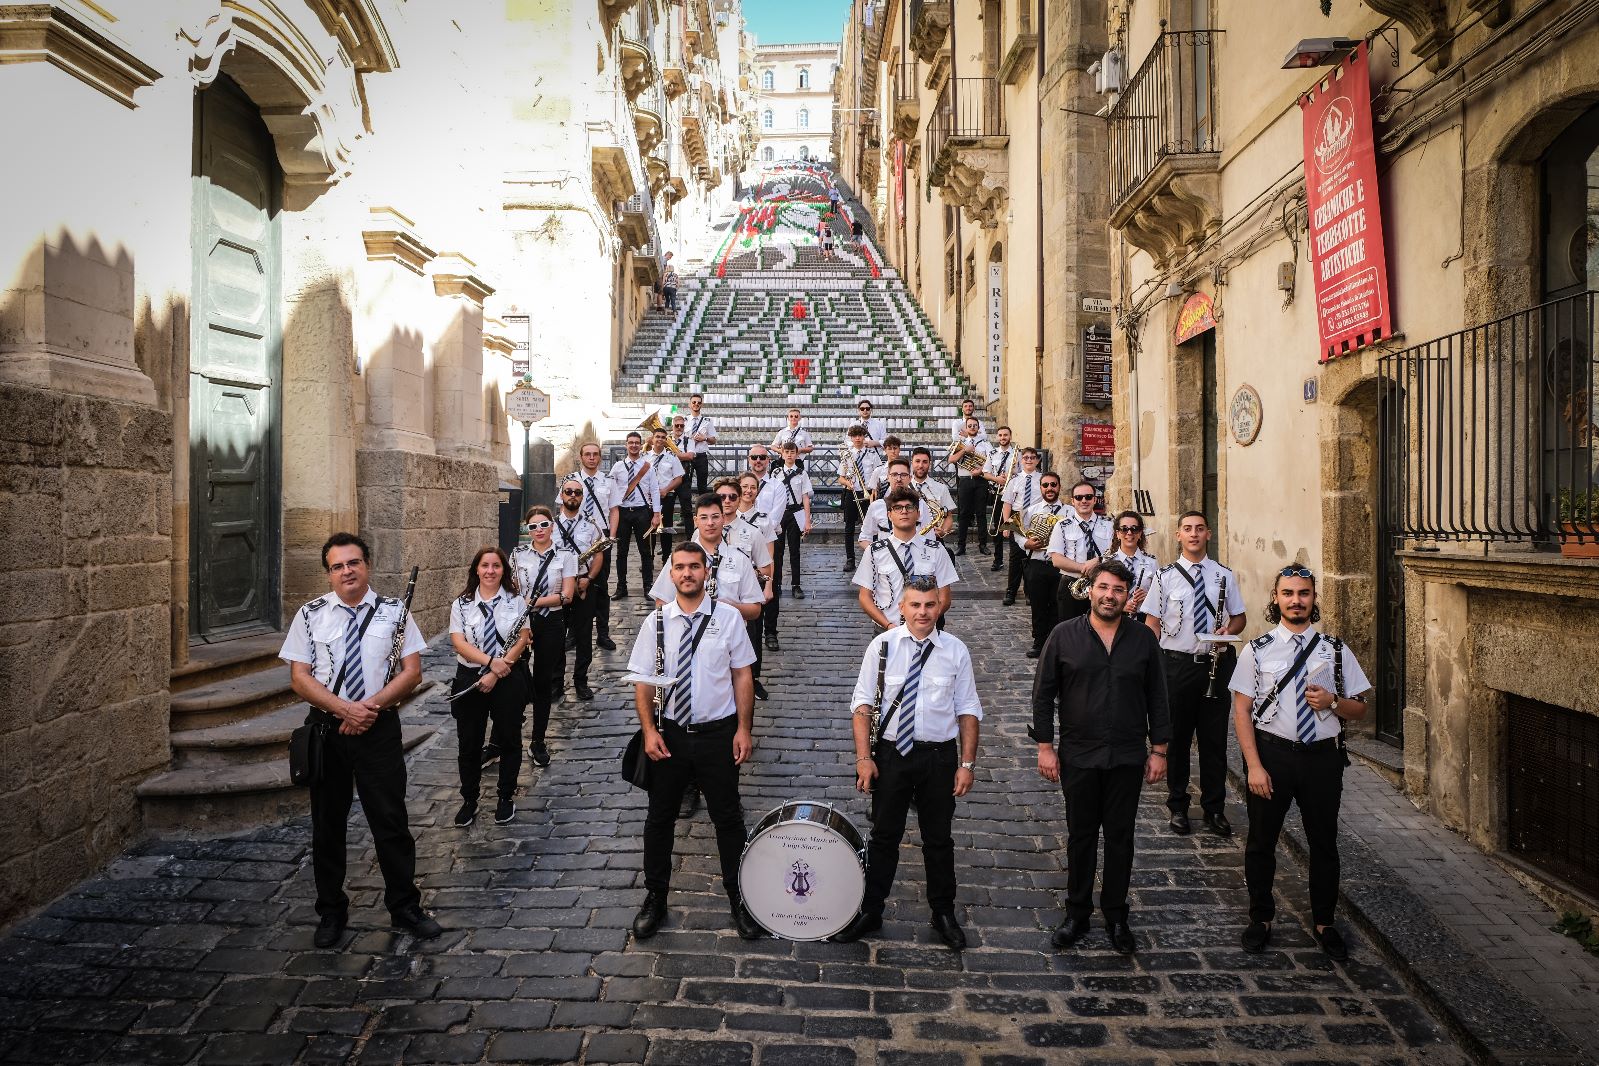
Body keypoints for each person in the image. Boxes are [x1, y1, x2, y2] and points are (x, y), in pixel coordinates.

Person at [281, 532, 440, 948]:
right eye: (337, 566)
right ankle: (331, 911)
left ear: (366, 565)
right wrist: (343, 709)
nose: (346, 571)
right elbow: (299, 678)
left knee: (390, 821)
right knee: (327, 826)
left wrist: (368, 708)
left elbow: (412, 671)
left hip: (379, 730)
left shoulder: (394, 611)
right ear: (329, 574)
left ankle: (405, 906)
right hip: (326, 731)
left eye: (353, 563)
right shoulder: (310, 614)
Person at [1231, 565, 1371, 962]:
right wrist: (1254, 766)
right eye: (1288, 593)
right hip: (1272, 756)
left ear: (1314, 598)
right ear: (1275, 598)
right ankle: (1261, 918)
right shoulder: (1256, 651)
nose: (1296, 600)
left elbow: (1360, 709)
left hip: (1323, 761)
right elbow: (1242, 712)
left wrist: (1333, 704)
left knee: (1324, 844)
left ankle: (1325, 922)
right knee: (1261, 842)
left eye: (1304, 593)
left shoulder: (1337, 650)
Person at [834, 580, 982, 951]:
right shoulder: (881, 647)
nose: (923, 612)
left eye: (930, 605)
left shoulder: (955, 651)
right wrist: (864, 759)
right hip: (891, 755)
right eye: (915, 605)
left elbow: (967, 710)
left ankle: (943, 912)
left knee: (938, 839)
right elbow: (862, 705)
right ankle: (871, 910)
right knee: (884, 836)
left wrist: (966, 763)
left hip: (938, 756)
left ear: (939, 607)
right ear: (901, 607)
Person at [1032, 559, 1170, 955]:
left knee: (1121, 838)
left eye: (1119, 591)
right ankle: (1077, 913)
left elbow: (1158, 698)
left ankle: (1116, 914)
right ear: (1090, 589)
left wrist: (1159, 750)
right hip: (1079, 754)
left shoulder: (1143, 639)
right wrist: (1045, 746)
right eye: (1104, 588)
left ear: (1128, 597)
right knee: (1081, 836)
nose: (1110, 596)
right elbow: (1043, 696)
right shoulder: (1063, 636)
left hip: (1127, 755)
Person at [628, 542, 763, 942]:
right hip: (669, 735)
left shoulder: (729, 619)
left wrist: (744, 728)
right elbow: (642, 680)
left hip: (716, 734)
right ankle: (655, 897)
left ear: (706, 572)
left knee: (728, 819)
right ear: (671, 575)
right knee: (659, 819)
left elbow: (742, 676)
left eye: (694, 567)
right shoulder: (655, 623)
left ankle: (739, 898)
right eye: (680, 568)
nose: (687, 574)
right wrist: (650, 730)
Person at [1145, 511, 1247, 837]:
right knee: (1176, 739)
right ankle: (1178, 806)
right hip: (1176, 665)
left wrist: (1227, 630)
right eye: (1187, 529)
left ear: (1208, 534)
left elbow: (1240, 618)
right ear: (1178, 536)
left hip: (1214, 665)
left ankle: (1214, 809)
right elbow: (1152, 624)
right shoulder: (1164, 577)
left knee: (1213, 741)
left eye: (1199, 529)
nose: (1193, 534)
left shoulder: (1223, 576)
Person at [448, 546, 531, 827]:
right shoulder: (461, 604)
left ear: (503, 571)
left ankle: (505, 797)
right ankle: (469, 800)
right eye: (485, 566)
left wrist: (497, 670)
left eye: (496, 566)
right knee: (468, 743)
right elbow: (458, 642)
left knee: (509, 739)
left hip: (507, 677)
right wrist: (489, 662)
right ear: (476, 570)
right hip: (470, 676)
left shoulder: (516, 600)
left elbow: (523, 637)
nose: (490, 571)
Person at [508, 506, 578, 768]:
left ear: (552, 526)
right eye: (533, 526)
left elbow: (567, 596)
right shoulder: (517, 555)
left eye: (543, 524)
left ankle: (538, 740)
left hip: (552, 622)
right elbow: (512, 591)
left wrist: (532, 602)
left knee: (543, 681)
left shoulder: (566, 555)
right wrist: (524, 605)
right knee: (514, 676)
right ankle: (502, 738)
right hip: (522, 622)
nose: (538, 530)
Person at [854, 486, 958, 630]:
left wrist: (925, 623)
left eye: (909, 507)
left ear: (918, 514)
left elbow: (945, 597)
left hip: (925, 631)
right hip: (887, 630)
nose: (904, 511)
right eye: (898, 508)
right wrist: (888, 625)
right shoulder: (874, 552)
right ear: (889, 515)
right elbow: (864, 597)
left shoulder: (936, 550)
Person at [552, 480, 605, 702]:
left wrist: (589, 579)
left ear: (582, 497)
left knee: (583, 636)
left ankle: (580, 681)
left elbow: (599, 554)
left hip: (583, 584)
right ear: (561, 495)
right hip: (556, 586)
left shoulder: (591, 525)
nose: (572, 495)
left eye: (577, 492)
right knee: (556, 637)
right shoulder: (550, 525)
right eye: (568, 492)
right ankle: (556, 683)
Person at [566, 442, 617, 651]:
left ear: (600, 458)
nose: (592, 458)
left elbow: (614, 510)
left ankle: (603, 633)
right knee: (571, 585)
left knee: (601, 587)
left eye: (595, 454)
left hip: (600, 538)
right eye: (587, 454)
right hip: (575, 538)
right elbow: (563, 507)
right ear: (581, 457)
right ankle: (572, 633)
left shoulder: (608, 481)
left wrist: (611, 537)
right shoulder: (571, 482)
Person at [731, 471, 779, 695]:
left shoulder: (763, 520)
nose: (749, 490)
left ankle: (752, 677)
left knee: (753, 630)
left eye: (753, 487)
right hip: (729, 579)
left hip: (753, 581)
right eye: (745, 486)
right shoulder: (726, 517)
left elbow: (769, 557)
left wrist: (768, 585)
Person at [1018, 472, 1067, 659]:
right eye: (1045, 485)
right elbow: (1018, 533)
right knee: (1037, 607)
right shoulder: (1032, 510)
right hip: (1036, 562)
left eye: (1053, 485)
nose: (1049, 489)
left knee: (1058, 606)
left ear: (1059, 487)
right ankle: (1039, 643)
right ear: (1041, 488)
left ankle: (1056, 644)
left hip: (1060, 566)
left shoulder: (1069, 512)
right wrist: (1026, 543)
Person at [1047, 481, 1111, 623]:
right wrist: (1083, 568)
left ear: (1095, 499)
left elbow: (1116, 553)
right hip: (1072, 584)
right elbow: (1056, 559)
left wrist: (1098, 561)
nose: (1084, 501)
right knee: (1071, 630)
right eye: (1079, 497)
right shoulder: (1062, 525)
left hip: (1103, 584)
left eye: (1088, 497)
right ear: (1072, 501)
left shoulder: (1109, 524)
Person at [609, 431, 661, 599]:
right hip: (623, 512)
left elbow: (654, 490)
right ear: (626, 445)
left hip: (642, 511)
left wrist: (656, 513)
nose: (633, 445)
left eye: (636, 442)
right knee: (621, 552)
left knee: (645, 551)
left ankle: (647, 586)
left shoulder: (647, 466)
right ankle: (621, 586)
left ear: (641, 445)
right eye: (630, 442)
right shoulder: (617, 467)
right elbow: (611, 489)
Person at [767, 439, 813, 605]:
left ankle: (796, 585)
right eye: (786, 452)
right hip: (780, 513)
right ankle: (776, 583)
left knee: (795, 550)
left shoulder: (801, 473)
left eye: (792, 452)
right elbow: (771, 496)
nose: (789, 455)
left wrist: (807, 520)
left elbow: (805, 497)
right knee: (776, 551)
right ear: (782, 453)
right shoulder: (776, 472)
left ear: (796, 454)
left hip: (796, 512)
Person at [999, 447, 1044, 605]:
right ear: (1021, 460)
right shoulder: (1014, 480)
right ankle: (1011, 591)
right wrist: (1007, 525)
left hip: (1036, 520)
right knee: (1015, 557)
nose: (1029, 460)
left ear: (1037, 460)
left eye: (1032, 457)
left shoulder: (1042, 480)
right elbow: (1007, 504)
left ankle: (1030, 592)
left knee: (1033, 558)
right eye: (1026, 457)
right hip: (1017, 519)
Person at [857, 457, 929, 553]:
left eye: (903, 475)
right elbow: (864, 537)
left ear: (910, 478)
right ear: (888, 477)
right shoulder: (876, 506)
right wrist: (876, 554)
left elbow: (930, 538)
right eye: (894, 475)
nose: (898, 479)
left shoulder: (921, 504)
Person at [838, 424, 882, 571]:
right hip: (852, 492)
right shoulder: (847, 455)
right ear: (851, 438)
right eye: (855, 436)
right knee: (849, 527)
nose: (858, 438)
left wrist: (875, 491)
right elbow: (841, 478)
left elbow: (879, 475)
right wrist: (847, 483)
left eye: (860, 435)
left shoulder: (872, 454)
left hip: (869, 494)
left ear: (864, 437)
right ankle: (850, 559)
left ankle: (874, 556)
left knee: (873, 526)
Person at [949, 416, 992, 557]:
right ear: (966, 428)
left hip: (981, 480)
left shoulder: (985, 444)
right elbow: (951, 460)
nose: (973, 427)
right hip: (965, 480)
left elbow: (992, 461)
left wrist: (981, 470)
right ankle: (961, 546)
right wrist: (964, 450)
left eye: (975, 425)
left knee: (980, 513)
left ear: (978, 428)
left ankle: (983, 545)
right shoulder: (961, 443)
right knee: (964, 514)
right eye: (970, 425)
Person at [1108, 511, 1158, 623]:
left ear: (1140, 533)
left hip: (1143, 619)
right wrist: (1121, 606)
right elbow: (1103, 594)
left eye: (1134, 529)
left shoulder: (1152, 562)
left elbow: (1159, 596)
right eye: (1124, 529)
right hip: (1115, 618)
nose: (1129, 533)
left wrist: (1148, 597)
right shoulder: (1109, 562)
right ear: (1118, 534)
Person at [980, 426, 1016, 573]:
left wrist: (1011, 476)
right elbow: (985, 473)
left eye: (1005, 435)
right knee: (998, 527)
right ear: (997, 437)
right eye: (1000, 435)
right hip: (999, 494)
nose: (1003, 437)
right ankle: (998, 559)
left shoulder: (1017, 454)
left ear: (1010, 436)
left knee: (1015, 527)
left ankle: (1016, 559)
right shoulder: (992, 453)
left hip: (1014, 495)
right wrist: (997, 479)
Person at [648, 427, 686, 562]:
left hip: (666, 497)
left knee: (666, 529)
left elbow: (678, 478)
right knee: (649, 530)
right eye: (657, 436)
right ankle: (649, 558)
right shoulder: (645, 457)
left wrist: (665, 490)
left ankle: (666, 558)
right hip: (649, 499)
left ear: (666, 440)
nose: (660, 439)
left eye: (663, 437)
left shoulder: (672, 457)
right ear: (652, 439)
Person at [907, 447, 955, 543]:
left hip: (933, 540)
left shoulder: (941, 488)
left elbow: (948, 517)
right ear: (912, 463)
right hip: (908, 540)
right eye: (917, 461)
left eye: (925, 462)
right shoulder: (904, 488)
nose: (921, 465)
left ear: (930, 464)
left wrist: (943, 532)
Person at [683, 393, 716, 494]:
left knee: (702, 485)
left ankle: (703, 508)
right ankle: (687, 509)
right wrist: (689, 439)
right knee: (686, 484)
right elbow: (678, 437)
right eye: (694, 402)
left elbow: (714, 440)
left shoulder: (708, 421)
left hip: (701, 456)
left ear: (701, 405)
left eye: (699, 402)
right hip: (688, 455)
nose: (696, 404)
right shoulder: (684, 420)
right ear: (690, 404)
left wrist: (704, 438)